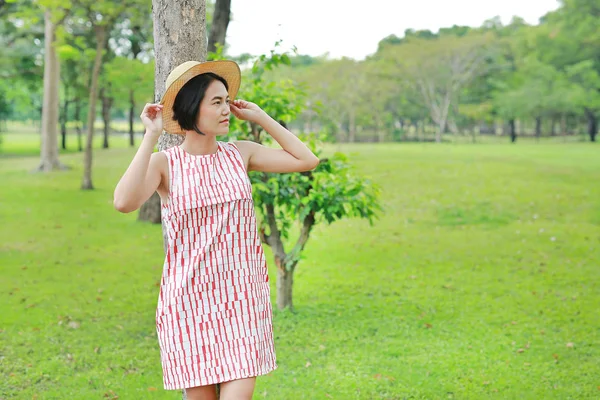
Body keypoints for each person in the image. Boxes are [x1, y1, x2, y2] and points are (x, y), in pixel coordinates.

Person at [113, 60, 319, 400]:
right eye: (216, 102)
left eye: (227, 101)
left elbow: (306, 160)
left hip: (241, 299)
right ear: (192, 108)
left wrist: (262, 118)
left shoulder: (240, 154)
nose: (226, 110)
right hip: (189, 303)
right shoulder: (165, 164)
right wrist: (151, 135)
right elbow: (123, 202)